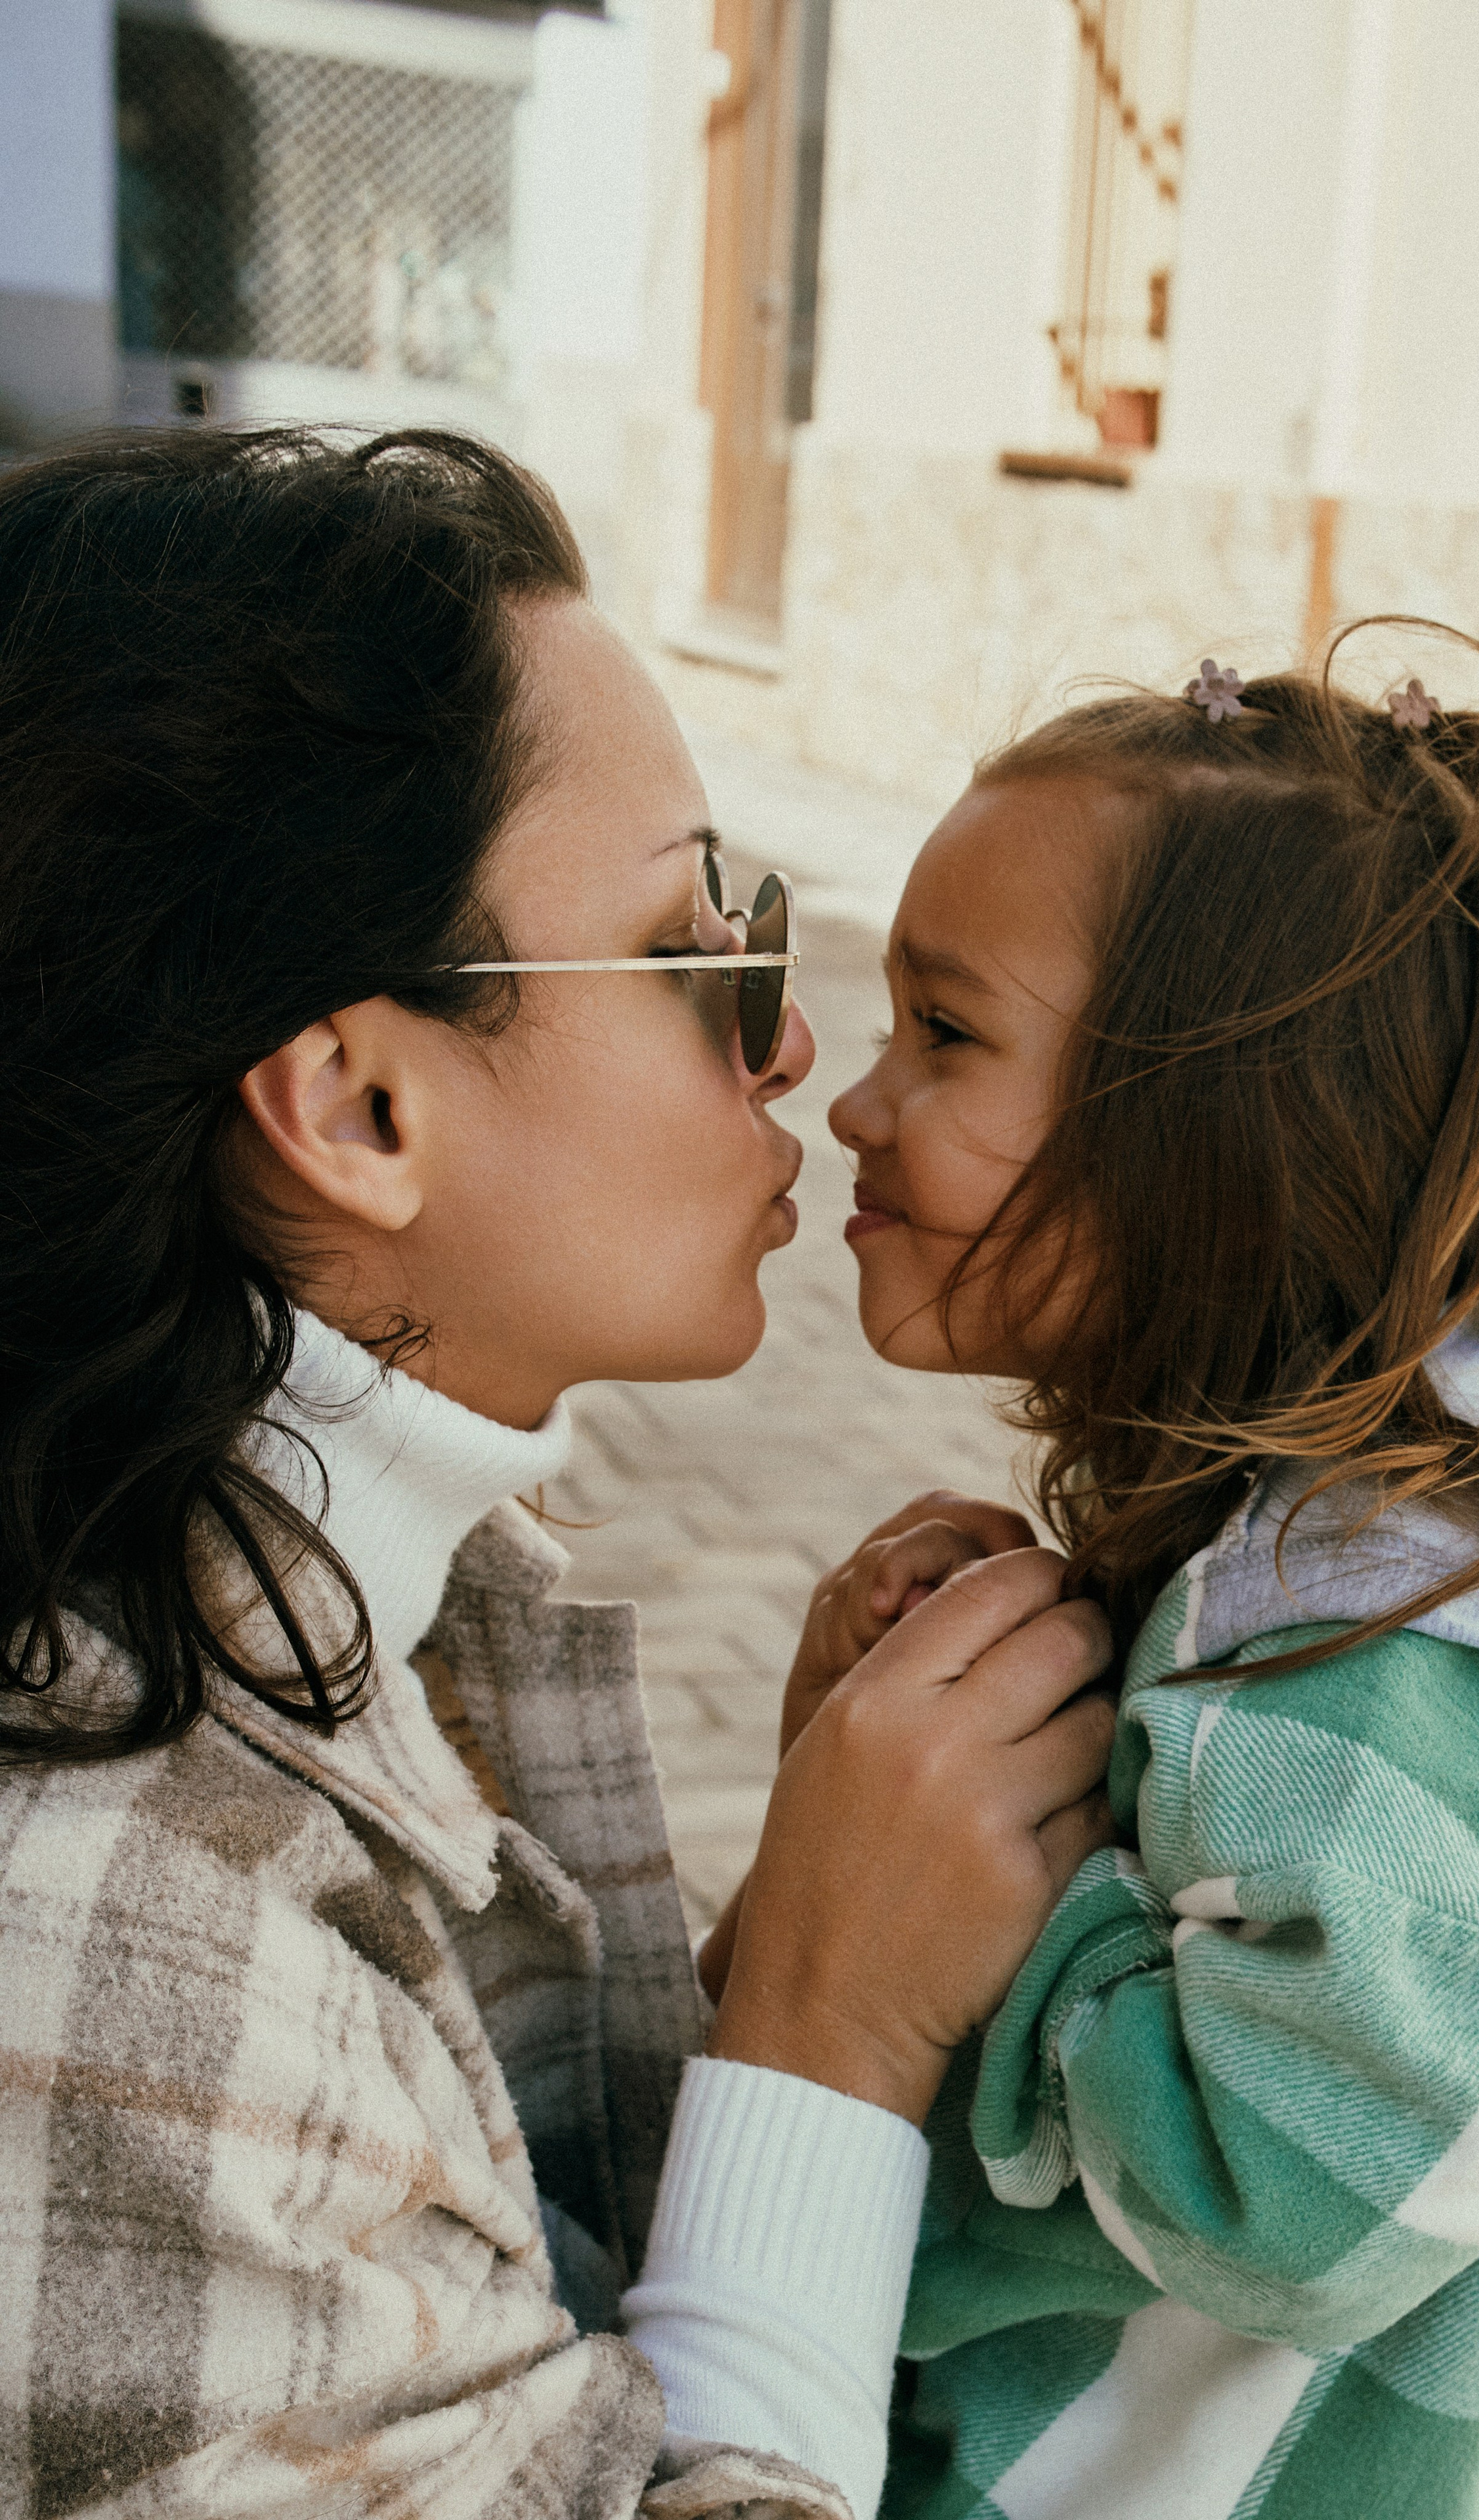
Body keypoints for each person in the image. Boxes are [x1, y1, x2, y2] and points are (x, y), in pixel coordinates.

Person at [0, 425, 1118, 2520]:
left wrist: (801, 1930)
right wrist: (827, 2030)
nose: (793, 1048)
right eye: (706, 948)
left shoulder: (386, 1595)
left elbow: (502, 2303)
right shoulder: (107, 1939)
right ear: (362, 1107)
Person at [804, 640, 1479, 2518]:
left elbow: (1297, 2181)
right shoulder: (1417, 1556)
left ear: (1226, 1129)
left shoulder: (1402, 1636)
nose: (858, 1103)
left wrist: (960, 1880)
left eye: (945, 1034)